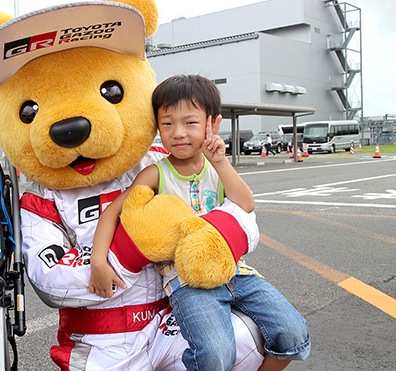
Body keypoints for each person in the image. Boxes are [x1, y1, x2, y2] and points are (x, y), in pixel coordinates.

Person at [90, 75, 310, 371]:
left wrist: (220, 162)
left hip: (236, 271)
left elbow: (246, 204)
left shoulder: (216, 168)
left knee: (293, 334)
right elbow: (113, 213)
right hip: (186, 281)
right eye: (167, 123)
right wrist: (98, 262)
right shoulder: (157, 174)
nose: (178, 133)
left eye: (190, 123)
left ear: (212, 123)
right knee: (216, 355)